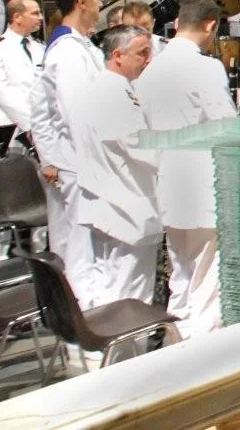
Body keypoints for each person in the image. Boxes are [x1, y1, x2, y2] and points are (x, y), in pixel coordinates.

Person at [135, 0, 235, 338]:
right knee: (208, 282)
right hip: (202, 181)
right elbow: (225, 123)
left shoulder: (151, 69)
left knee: (181, 275)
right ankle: (200, 359)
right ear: (211, 25)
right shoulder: (206, 67)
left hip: (166, 182)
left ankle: (175, 340)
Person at [28, 0, 105, 300]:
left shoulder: (76, 45)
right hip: (77, 159)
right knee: (79, 246)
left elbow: (41, 108)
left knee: (76, 242)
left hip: (70, 158)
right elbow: (77, 113)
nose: (101, 4)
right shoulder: (68, 51)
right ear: (81, 1)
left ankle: (77, 319)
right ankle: (84, 323)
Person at [72, 25, 157, 308]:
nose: (148, 59)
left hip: (111, 199)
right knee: (129, 288)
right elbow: (139, 145)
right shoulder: (112, 93)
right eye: (142, 53)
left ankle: (111, 347)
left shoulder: (102, 88)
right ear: (118, 55)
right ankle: (127, 351)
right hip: (125, 202)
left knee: (111, 279)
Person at [0, 0, 45, 133]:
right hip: (10, 125)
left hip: (43, 125)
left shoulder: (41, 47)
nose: (41, 18)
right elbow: (1, 91)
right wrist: (31, 124)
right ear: (17, 17)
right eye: (35, 13)